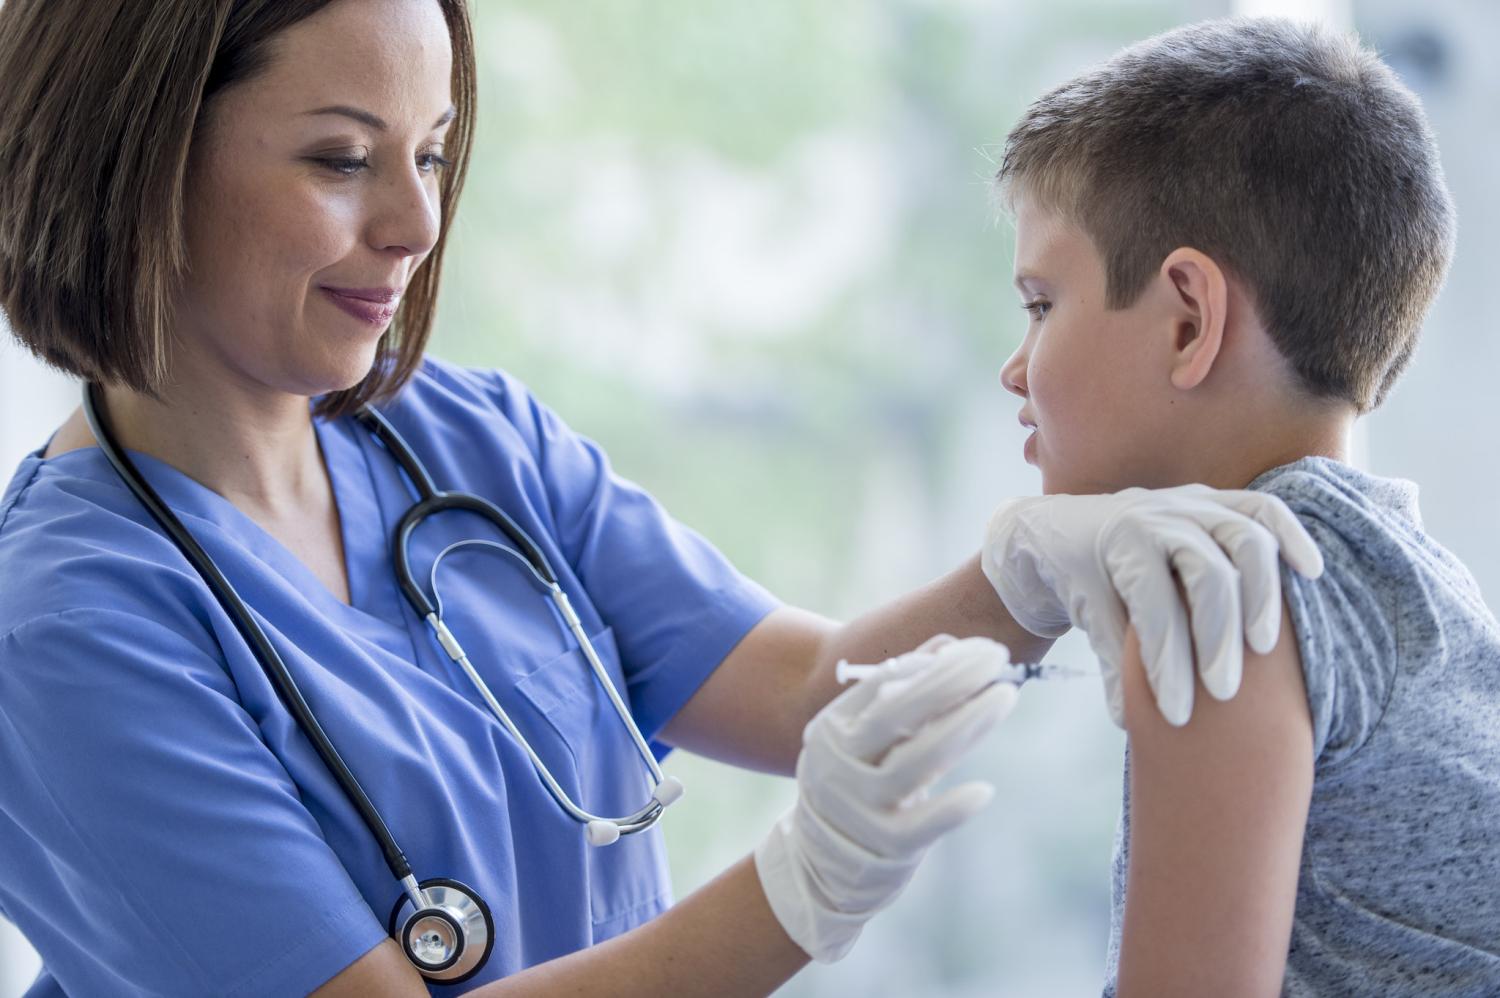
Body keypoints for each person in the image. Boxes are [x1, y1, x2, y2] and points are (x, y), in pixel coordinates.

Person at [0, 2, 1319, 995]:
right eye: (344, 161)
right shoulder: (61, 636)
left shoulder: (463, 438)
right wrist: (798, 893)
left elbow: (805, 691)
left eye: (437, 155)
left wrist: (1027, 573)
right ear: (139, 163)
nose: (416, 222)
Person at [992, 16, 1500, 996]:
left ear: (1189, 317)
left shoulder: (1231, 589)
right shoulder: (1421, 583)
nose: (1015, 367)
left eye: (1042, 303)